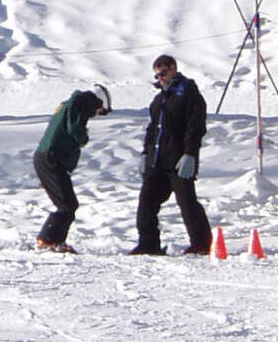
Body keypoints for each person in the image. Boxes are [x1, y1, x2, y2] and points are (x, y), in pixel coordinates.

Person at [131, 53, 213, 256]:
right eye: (157, 75)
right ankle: (148, 243)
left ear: (174, 68)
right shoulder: (158, 100)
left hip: (178, 161)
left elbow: (195, 127)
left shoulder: (188, 94)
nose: (161, 78)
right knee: (147, 202)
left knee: (187, 203)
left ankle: (202, 244)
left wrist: (190, 154)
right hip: (157, 162)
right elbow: (152, 130)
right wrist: (145, 154)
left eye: (164, 73)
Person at [34, 85, 111, 252]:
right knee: (67, 205)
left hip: (47, 159)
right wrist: (83, 138)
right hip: (51, 159)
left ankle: (52, 240)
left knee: (67, 204)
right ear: (99, 103)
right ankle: (48, 240)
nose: (97, 115)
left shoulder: (70, 103)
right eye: (101, 111)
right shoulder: (80, 103)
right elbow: (75, 130)